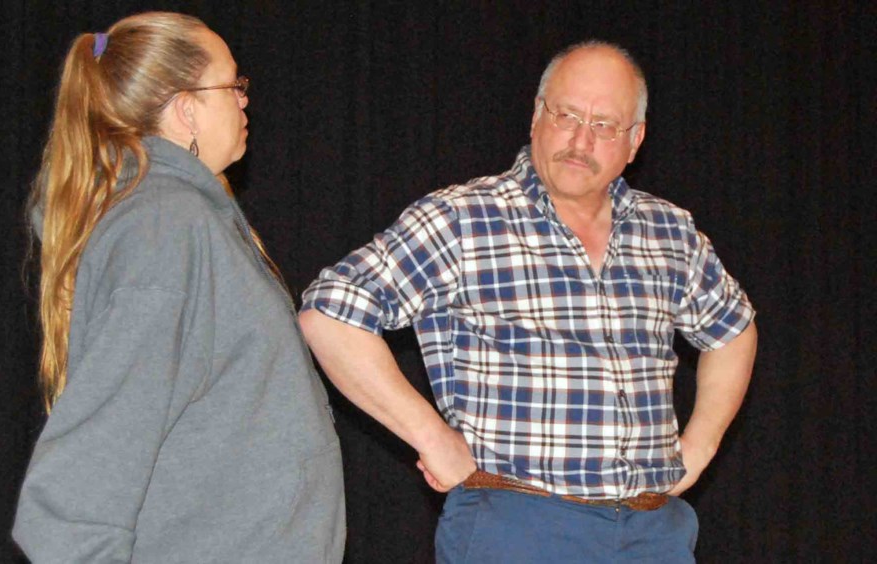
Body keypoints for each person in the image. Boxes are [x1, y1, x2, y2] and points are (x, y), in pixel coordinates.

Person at [299, 40, 757, 563]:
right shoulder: (464, 219)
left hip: (655, 532)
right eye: (566, 114)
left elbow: (734, 329)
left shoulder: (668, 230)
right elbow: (329, 312)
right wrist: (429, 435)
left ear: (636, 141)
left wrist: (702, 443)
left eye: (604, 125)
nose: (580, 139)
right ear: (537, 116)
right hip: (518, 526)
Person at [13, 12, 344, 562]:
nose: (245, 100)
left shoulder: (185, 221)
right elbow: (81, 487)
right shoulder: (165, 230)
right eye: (232, 85)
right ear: (186, 108)